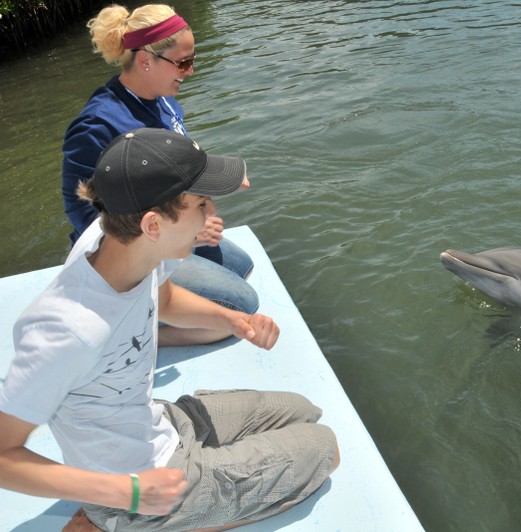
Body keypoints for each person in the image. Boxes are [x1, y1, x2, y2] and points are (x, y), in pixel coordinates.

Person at [0, 129, 339, 531]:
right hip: (139, 488)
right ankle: (126, 523)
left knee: (303, 409)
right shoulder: (67, 329)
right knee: (327, 449)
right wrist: (128, 494)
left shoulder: (122, 240)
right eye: (200, 203)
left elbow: (163, 297)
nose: (212, 211)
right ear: (153, 224)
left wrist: (234, 320)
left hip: (162, 423)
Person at [62, 4, 258, 344]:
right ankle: (126, 330)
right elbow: (80, 211)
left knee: (241, 265)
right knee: (242, 304)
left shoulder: (164, 100)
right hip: (131, 253)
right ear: (146, 60)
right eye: (183, 63)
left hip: (171, 231)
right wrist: (176, 234)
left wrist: (209, 187)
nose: (190, 71)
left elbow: (175, 165)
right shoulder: (97, 125)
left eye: (192, 60)